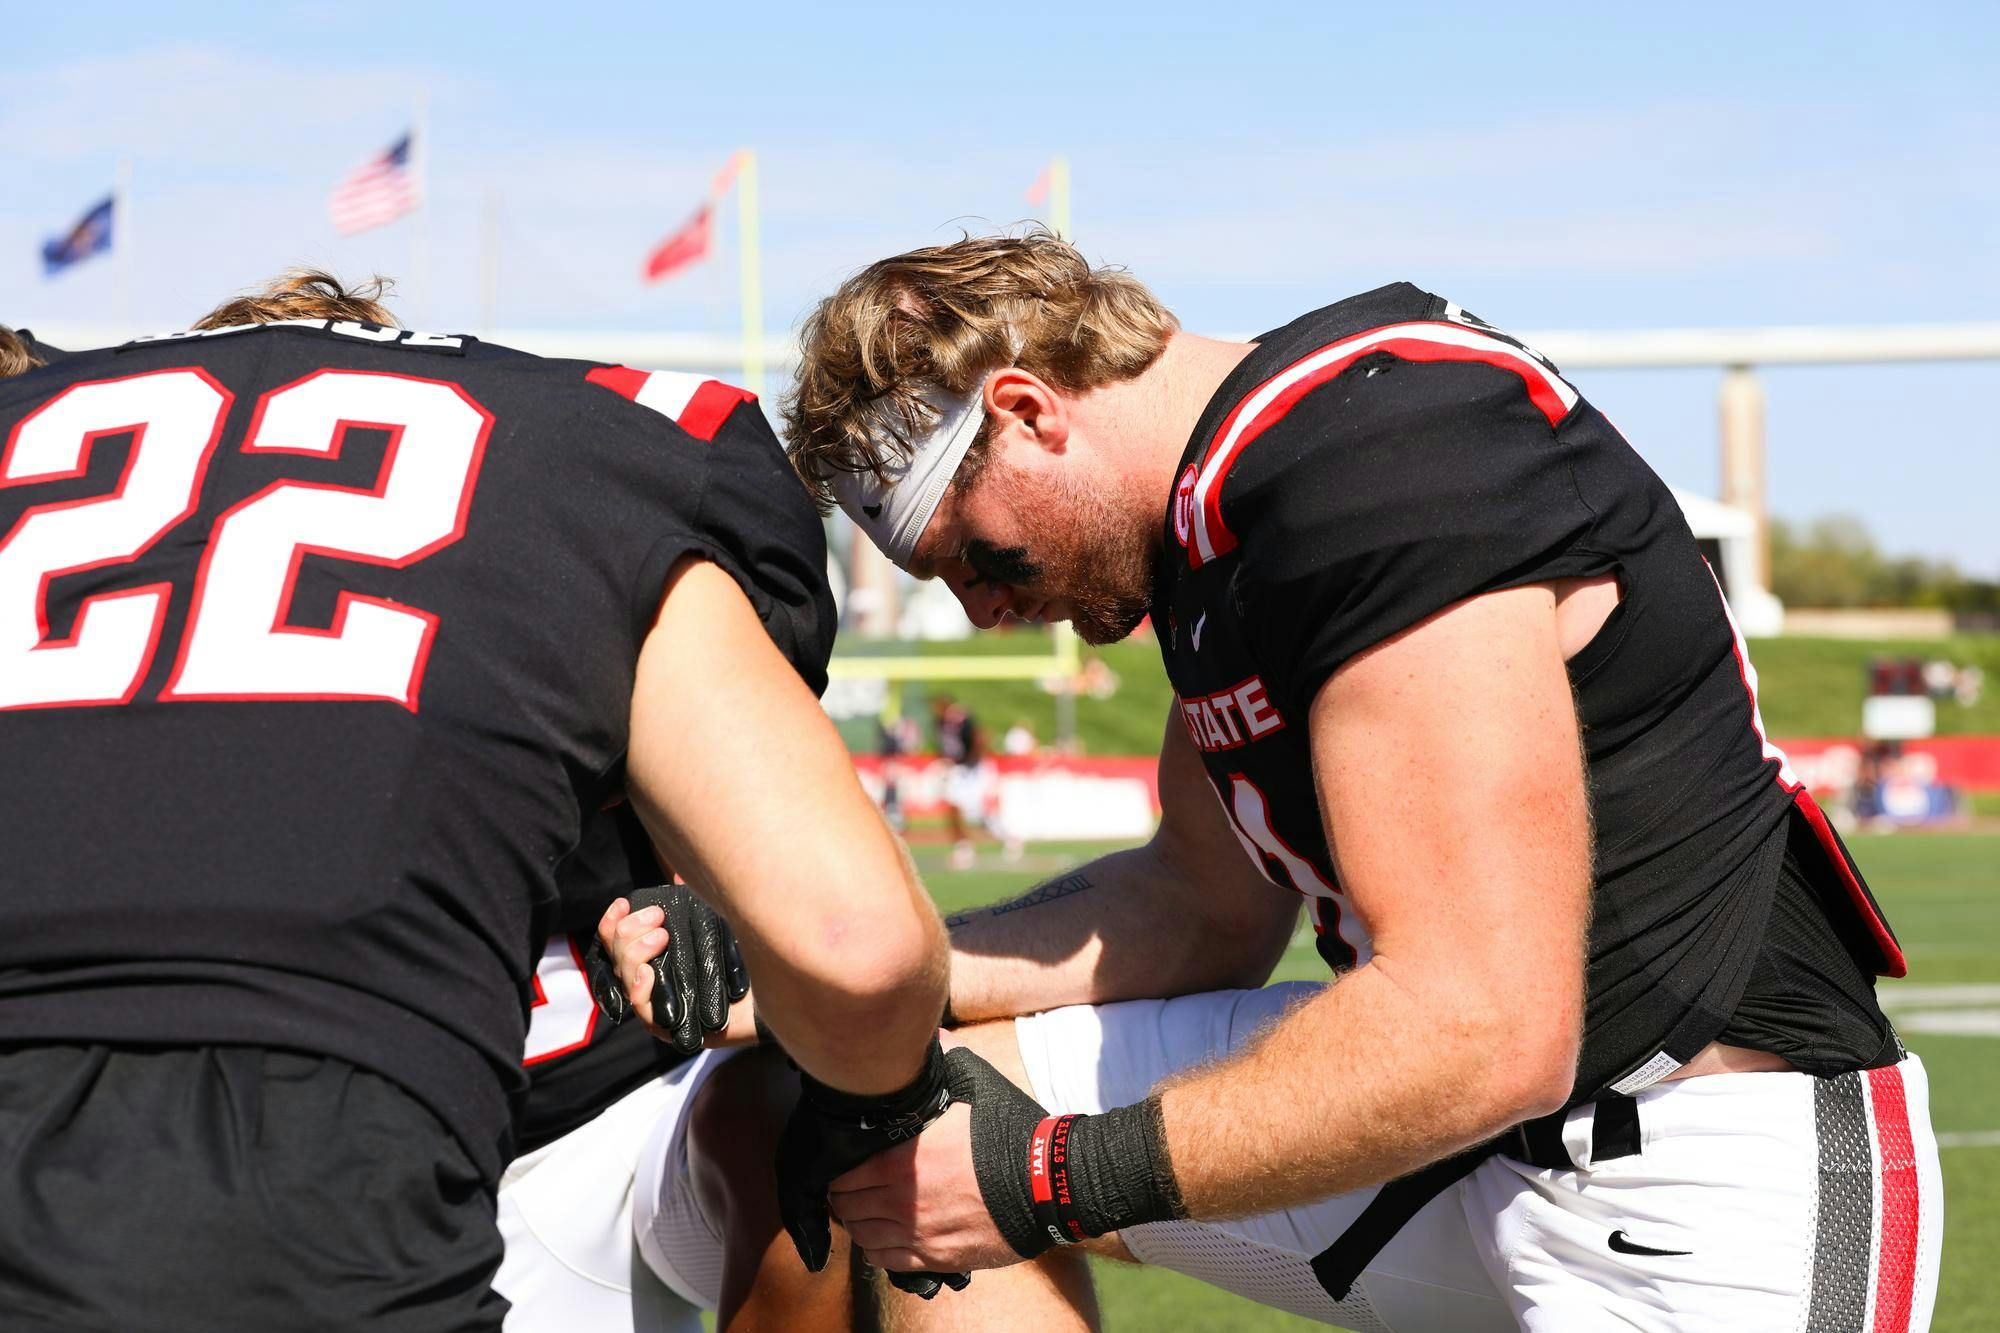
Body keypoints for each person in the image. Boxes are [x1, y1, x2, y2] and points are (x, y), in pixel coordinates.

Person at [748, 231, 1939, 1329]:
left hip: (1704, 1160)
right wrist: (836, 978)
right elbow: (1197, 911)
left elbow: (1479, 1025)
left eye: (973, 555)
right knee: (895, 1112)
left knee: (983, 1161)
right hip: (1474, 1138)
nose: (986, 609)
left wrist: (1053, 1175)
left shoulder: (1371, 465)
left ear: (1025, 410)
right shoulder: (1215, 524)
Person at [0, 272, 950, 1332]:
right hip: (384, 1139)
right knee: (866, 1119)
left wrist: (673, 906)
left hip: (558, 1121)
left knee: (783, 1121)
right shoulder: (556, 501)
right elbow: (848, 930)